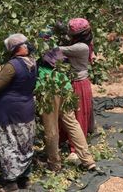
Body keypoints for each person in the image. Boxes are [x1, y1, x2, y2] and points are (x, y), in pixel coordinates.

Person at [0, 33, 37, 192]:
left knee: (8, 142)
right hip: (27, 107)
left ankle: (11, 182)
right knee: (25, 143)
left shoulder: (12, 66)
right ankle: (24, 178)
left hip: (10, 110)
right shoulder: (33, 63)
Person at [37, 48, 97, 171]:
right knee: (72, 123)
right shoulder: (57, 49)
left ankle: (54, 164)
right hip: (65, 86)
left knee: (51, 128)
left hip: (49, 89)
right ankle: (88, 160)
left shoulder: (38, 49)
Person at [58, 18, 95, 157]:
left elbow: (56, 50)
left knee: (77, 116)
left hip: (79, 83)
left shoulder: (80, 47)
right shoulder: (85, 43)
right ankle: (69, 141)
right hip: (75, 82)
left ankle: (76, 150)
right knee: (70, 114)